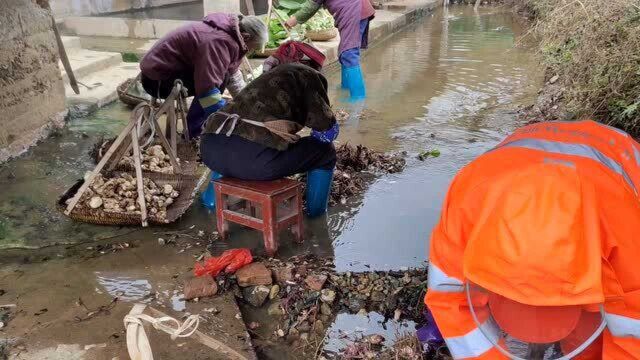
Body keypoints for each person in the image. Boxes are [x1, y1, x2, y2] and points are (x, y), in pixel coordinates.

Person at [425, 120, 640, 359]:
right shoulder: (467, 206)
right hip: (513, 165)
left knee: (594, 336)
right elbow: (450, 300)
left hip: (618, 164)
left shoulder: (624, 224)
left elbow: (634, 324)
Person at [200, 63, 339, 217]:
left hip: (209, 148)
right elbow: (326, 129)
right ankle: (317, 215)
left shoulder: (264, 82)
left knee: (231, 140)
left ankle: (210, 202)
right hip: (253, 162)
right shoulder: (309, 77)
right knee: (325, 152)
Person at [139, 13, 267, 138]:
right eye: (253, 48)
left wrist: (246, 104)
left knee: (223, 76)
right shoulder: (219, 41)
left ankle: (196, 126)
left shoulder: (230, 33)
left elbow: (233, 77)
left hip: (166, 72)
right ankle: (195, 131)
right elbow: (208, 89)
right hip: (157, 81)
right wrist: (227, 117)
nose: (251, 51)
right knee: (217, 81)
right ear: (246, 37)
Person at [285, 0, 375, 99]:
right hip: (353, 10)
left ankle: (358, 99)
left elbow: (312, 6)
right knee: (345, 52)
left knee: (349, 54)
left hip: (353, 10)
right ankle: (346, 88)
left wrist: (294, 19)